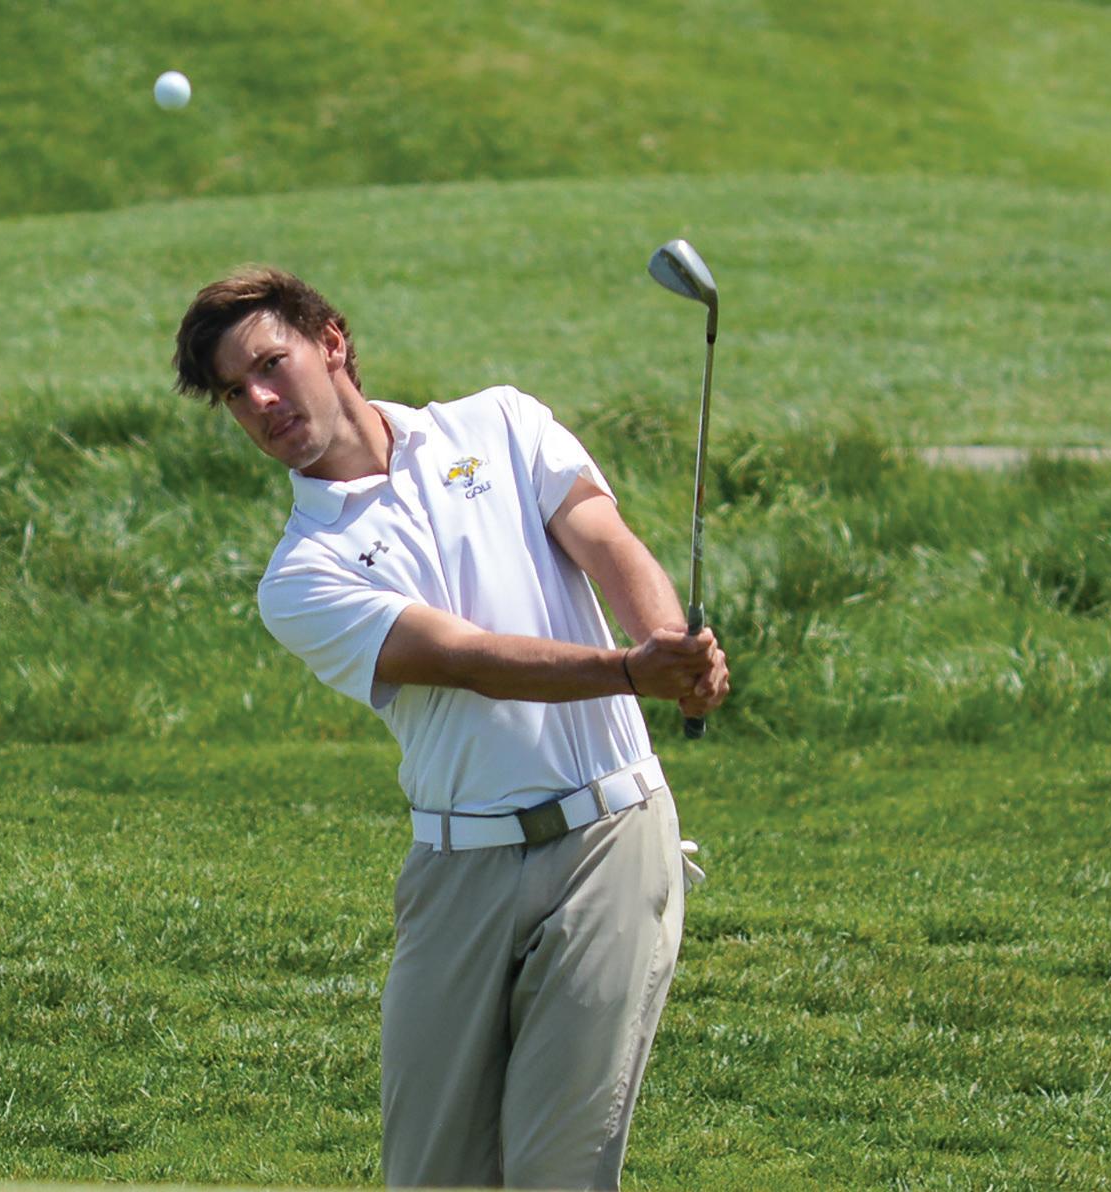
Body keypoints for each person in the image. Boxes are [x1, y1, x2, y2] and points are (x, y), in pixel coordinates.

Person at [172, 266, 729, 1190]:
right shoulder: (301, 575)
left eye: (271, 364)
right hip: (456, 869)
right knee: (432, 1174)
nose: (261, 402)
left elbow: (606, 541)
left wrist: (669, 647)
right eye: (235, 393)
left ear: (331, 342)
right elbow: (465, 657)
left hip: (611, 840)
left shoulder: (501, 423)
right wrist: (634, 674)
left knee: (559, 1168)